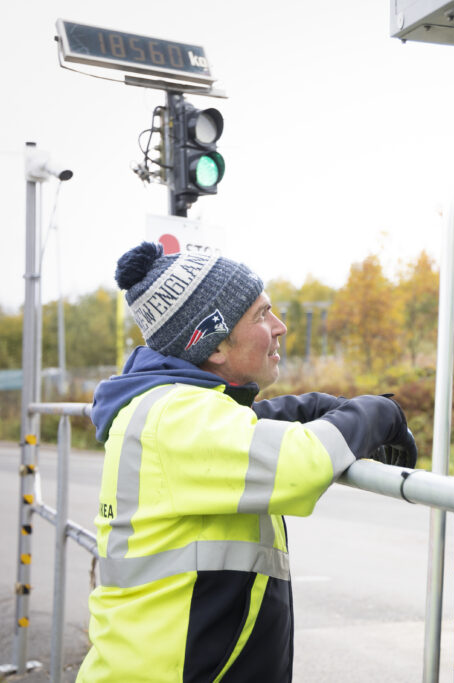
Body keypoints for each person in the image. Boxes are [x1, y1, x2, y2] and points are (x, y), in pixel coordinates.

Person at [78, 242, 417, 682]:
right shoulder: (174, 418)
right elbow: (300, 465)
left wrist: (316, 407)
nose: (280, 326)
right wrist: (380, 413)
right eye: (261, 315)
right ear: (214, 344)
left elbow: (243, 426)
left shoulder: (172, 410)